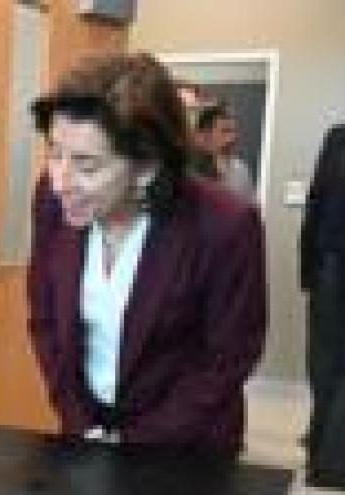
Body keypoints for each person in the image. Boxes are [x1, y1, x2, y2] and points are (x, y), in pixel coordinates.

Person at [27, 53, 267, 456]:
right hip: (87, 429)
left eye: (87, 165)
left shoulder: (224, 224)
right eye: (55, 152)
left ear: (147, 167)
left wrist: (133, 443)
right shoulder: (52, 201)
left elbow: (227, 358)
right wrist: (80, 423)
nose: (60, 181)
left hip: (185, 447)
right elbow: (46, 320)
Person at [300, 118, 345, 492]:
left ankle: (320, 455)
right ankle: (332, 466)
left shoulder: (339, 135)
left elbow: (315, 203)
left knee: (326, 366)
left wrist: (308, 270)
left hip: (327, 266)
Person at [194, 102, 257, 200]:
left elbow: (249, 209)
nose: (233, 138)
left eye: (234, 131)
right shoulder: (188, 173)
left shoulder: (241, 171)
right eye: (225, 131)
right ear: (203, 136)